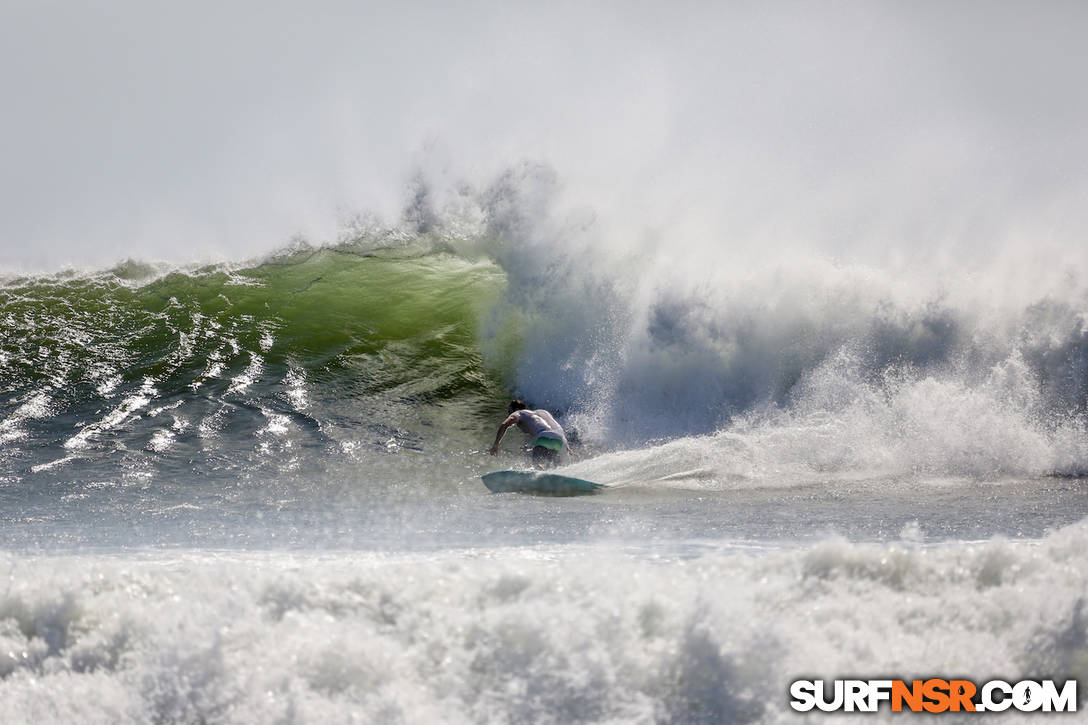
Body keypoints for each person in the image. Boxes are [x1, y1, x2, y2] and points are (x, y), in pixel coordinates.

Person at [489, 399, 571, 468]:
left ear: (516, 409)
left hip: (544, 437)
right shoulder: (542, 412)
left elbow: (504, 425)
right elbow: (557, 427)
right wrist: (567, 446)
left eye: (509, 411)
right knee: (558, 467)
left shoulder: (518, 413)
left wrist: (496, 444)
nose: (508, 413)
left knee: (536, 464)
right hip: (561, 441)